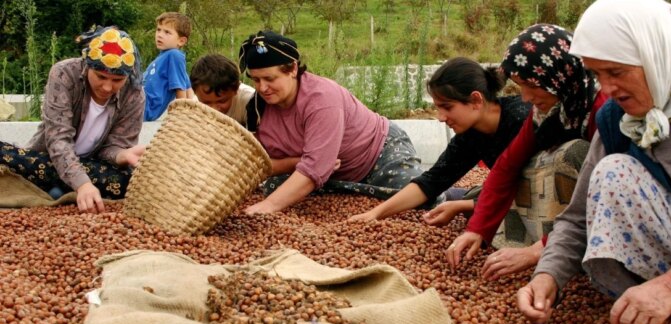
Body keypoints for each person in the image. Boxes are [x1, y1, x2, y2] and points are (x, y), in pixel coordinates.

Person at [517, 0, 671, 324]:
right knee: (613, 172)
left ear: (656, 53)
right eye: (597, 74)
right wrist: (547, 275)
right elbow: (577, 218)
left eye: (617, 72)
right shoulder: (619, 121)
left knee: (615, 172)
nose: (606, 90)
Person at [446, 24, 608, 281]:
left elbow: (606, 198)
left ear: (559, 74)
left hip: (601, 218)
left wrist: (538, 251)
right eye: (520, 85)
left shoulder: (603, 110)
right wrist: (476, 228)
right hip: (568, 222)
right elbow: (507, 166)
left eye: (532, 84)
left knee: (576, 152)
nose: (525, 97)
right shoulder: (547, 113)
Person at [238, 30, 425, 214]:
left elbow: (315, 167)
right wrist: (297, 163)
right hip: (331, 175)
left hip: (378, 154)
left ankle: (452, 196)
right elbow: (260, 163)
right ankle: (354, 191)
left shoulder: (321, 99)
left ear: (293, 69)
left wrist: (269, 206)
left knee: (421, 199)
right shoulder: (256, 108)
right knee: (273, 186)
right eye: (256, 79)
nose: (262, 88)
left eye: (270, 79)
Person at [348, 57, 529, 223]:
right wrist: (375, 214)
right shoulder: (471, 134)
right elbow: (432, 182)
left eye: (447, 107)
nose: (441, 117)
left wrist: (462, 206)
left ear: (476, 100)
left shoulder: (522, 120)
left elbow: (532, 190)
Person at [0, 26, 145, 213]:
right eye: (101, 76)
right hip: (48, 158)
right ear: (87, 66)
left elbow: (113, 147)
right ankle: (64, 187)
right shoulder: (64, 73)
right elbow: (58, 138)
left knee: (126, 182)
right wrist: (82, 184)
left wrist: (122, 155)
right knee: (10, 155)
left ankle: (54, 187)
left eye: (117, 80)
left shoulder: (134, 94)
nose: (108, 87)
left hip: (94, 166)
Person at [143, 12, 194, 121]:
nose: (160, 35)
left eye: (167, 32)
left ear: (181, 41)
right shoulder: (164, 56)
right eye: (158, 30)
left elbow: (180, 88)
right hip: (139, 102)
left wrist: (182, 117)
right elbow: (188, 87)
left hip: (143, 107)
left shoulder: (174, 55)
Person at [190, 54, 255, 126]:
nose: (214, 110)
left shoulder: (250, 101)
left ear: (236, 89)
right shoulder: (194, 107)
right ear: (195, 93)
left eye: (222, 101)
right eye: (206, 103)